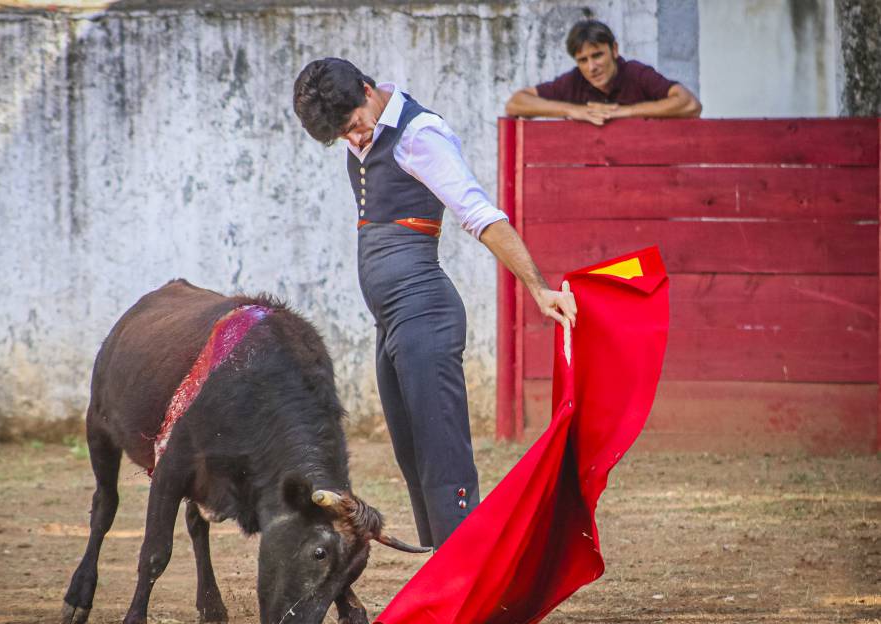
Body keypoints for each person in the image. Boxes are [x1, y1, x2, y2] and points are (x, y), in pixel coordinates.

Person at [292, 58, 577, 550]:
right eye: (343, 136)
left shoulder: (419, 135)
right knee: (415, 459)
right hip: (393, 320)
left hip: (423, 313)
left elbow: (479, 213)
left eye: (355, 126)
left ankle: (471, 591)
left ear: (368, 90)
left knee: (443, 461)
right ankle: (446, 582)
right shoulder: (366, 130)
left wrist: (537, 287)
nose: (355, 140)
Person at [505, 19, 701, 125]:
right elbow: (515, 103)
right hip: (595, 184)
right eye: (583, 60)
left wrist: (626, 112)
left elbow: (690, 104)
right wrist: (573, 110)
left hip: (648, 178)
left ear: (614, 50)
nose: (591, 67)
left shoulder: (635, 73)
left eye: (597, 55)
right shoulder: (574, 81)